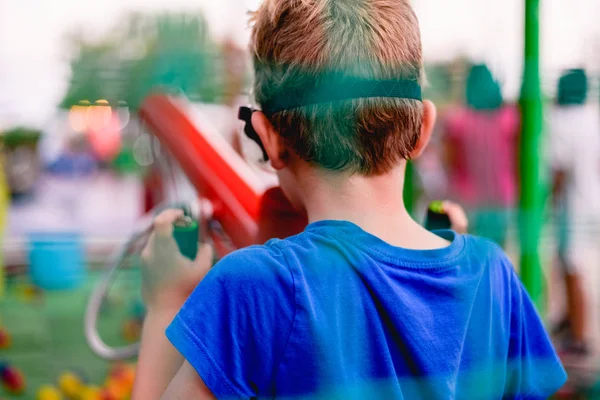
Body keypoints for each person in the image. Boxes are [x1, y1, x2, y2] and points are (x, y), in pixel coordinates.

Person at [133, 1, 566, 398]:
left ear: (268, 139)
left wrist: (165, 302)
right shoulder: (492, 275)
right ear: (422, 128)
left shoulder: (253, 286)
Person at [548, 68, 600, 357]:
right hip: (592, 199)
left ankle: (580, 337)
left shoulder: (561, 120)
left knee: (573, 267)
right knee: (567, 264)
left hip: (573, 204)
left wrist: (548, 201)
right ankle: (569, 320)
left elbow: (559, 169)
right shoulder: (591, 116)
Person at [443, 64, 520, 247]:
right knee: (496, 252)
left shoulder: (459, 120)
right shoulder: (509, 118)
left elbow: (450, 162)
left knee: (472, 252)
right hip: (501, 197)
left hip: (469, 199)